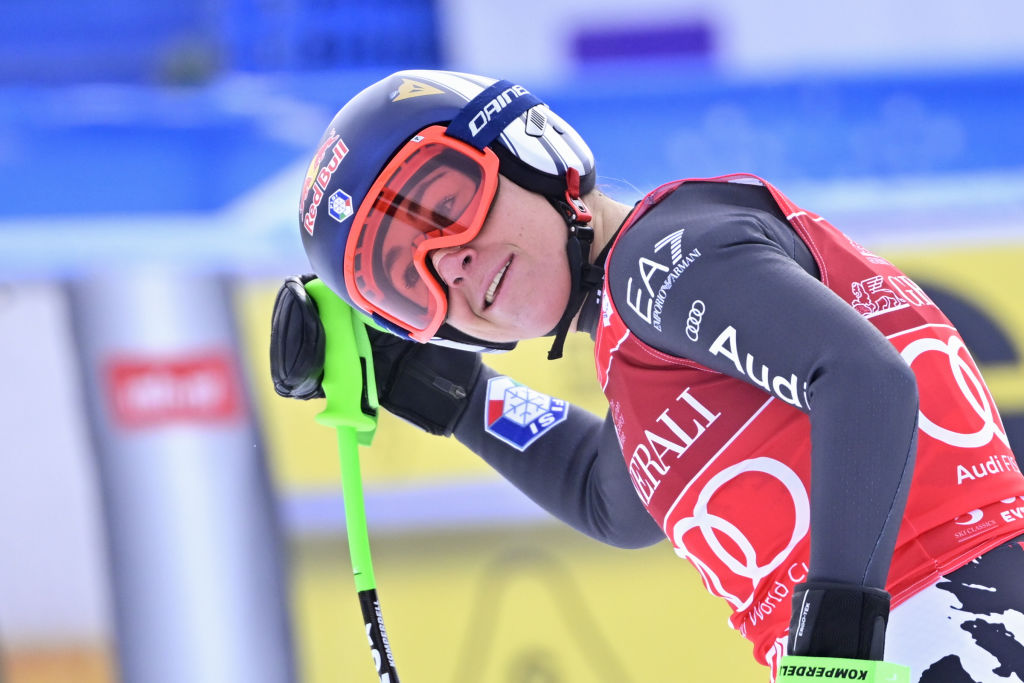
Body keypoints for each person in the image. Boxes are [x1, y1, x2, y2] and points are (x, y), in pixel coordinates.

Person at [271, 70, 1024, 682]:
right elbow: (608, 496)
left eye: (447, 204)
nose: (452, 261)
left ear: (529, 149)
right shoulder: (638, 345)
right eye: (408, 277)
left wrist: (831, 661)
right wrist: (429, 383)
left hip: (962, 618)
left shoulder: (657, 263)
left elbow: (864, 382)